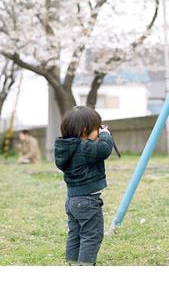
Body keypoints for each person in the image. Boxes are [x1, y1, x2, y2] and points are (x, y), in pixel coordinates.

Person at [54, 106, 114, 266]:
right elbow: (104, 149)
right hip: (87, 202)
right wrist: (106, 135)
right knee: (91, 235)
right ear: (85, 130)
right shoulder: (84, 147)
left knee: (75, 234)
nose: (98, 133)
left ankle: (73, 264)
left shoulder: (66, 148)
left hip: (73, 200)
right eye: (97, 129)